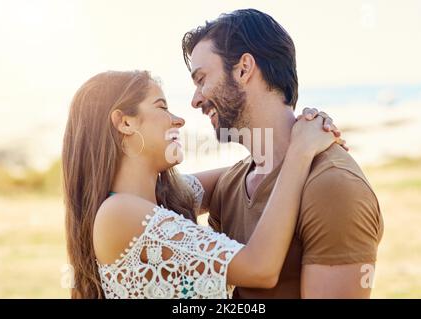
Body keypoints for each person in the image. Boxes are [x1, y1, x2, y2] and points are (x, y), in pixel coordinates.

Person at [62, 70, 343, 298]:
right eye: (162, 107)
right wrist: (301, 152)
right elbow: (260, 268)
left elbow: (253, 168)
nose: (179, 120)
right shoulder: (119, 213)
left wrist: (299, 135)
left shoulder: (160, 199)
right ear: (124, 123)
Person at [182, 8, 383, 298]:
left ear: (243, 69)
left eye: (201, 79)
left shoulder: (334, 186)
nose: (195, 99)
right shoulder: (230, 185)